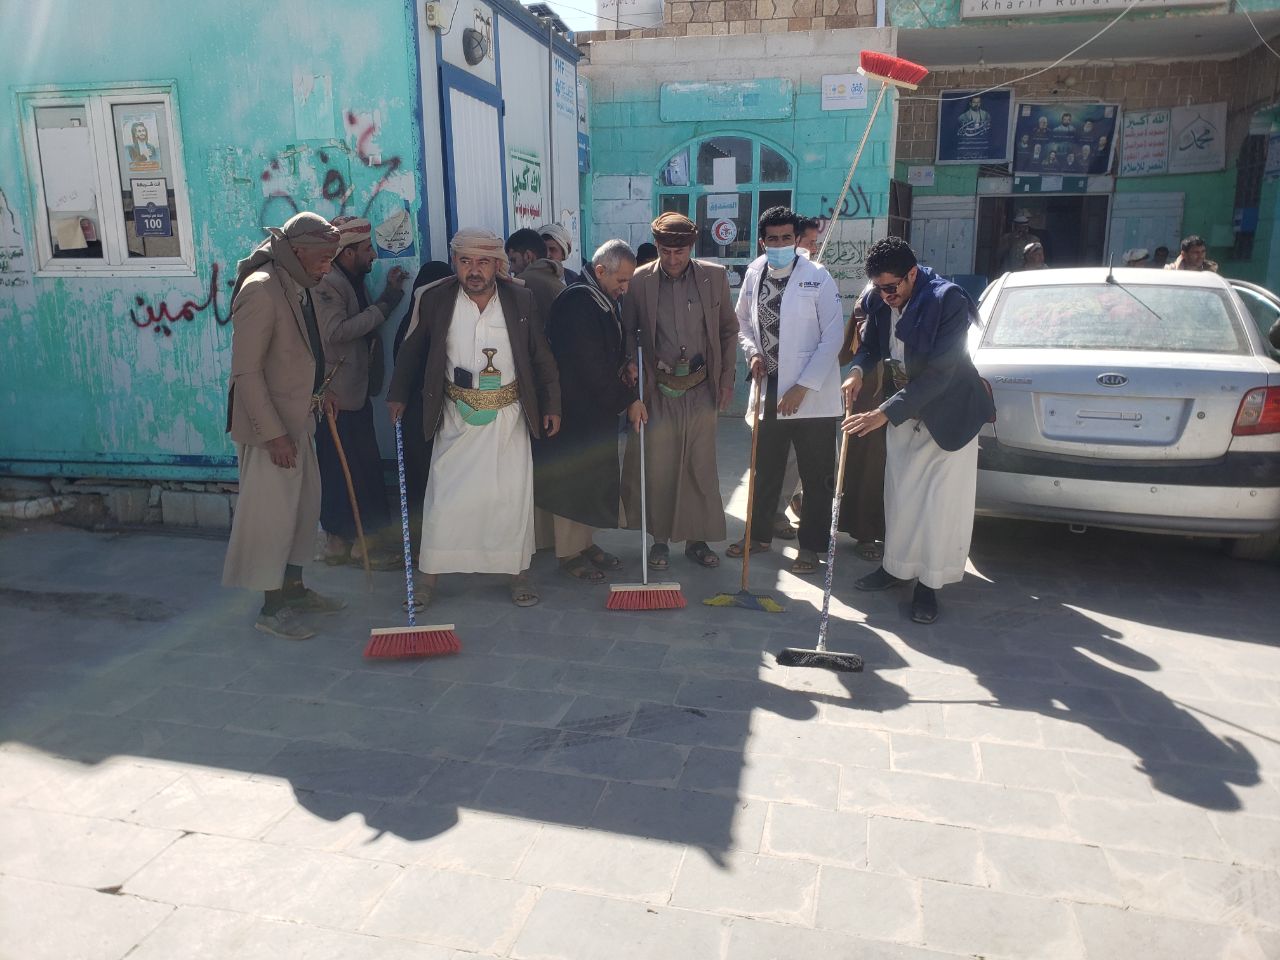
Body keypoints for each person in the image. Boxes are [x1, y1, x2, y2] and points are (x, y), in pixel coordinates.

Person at [387, 228, 560, 608]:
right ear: (455, 262)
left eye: (483, 262)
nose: (474, 270)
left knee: (508, 500)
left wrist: (552, 405)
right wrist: (397, 394)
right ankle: (428, 577)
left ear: (497, 264)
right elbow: (411, 350)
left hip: (508, 418)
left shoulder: (521, 299)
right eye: (465, 261)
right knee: (444, 500)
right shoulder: (434, 298)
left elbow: (541, 355)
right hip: (456, 417)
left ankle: (517, 573)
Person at [842, 237, 995, 625]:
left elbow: (941, 374)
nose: (885, 295)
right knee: (901, 495)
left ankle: (929, 585)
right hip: (904, 413)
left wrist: (882, 413)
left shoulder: (948, 301)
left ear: (912, 273)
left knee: (938, 506)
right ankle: (895, 568)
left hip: (949, 416)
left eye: (891, 287)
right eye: (879, 287)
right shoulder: (879, 299)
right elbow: (871, 346)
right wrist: (857, 371)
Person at [222, 212, 345, 640]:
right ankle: (271, 609)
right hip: (271, 431)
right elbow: (246, 372)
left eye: (332, 257)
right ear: (296, 251)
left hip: (299, 420)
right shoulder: (261, 289)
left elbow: (301, 352)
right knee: (272, 519)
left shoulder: (297, 282)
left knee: (302, 511)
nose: (328, 266)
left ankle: (294, 591)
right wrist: (273, 435)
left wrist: (322, 391)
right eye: (323, 257)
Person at [620, 211, 737, 571]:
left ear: (691, 247)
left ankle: (696, 540)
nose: (672, 259)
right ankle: (659, 540)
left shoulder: (714, 277)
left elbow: (728, 330)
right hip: (658, 390)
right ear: (656, 247)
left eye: (680, 252)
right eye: (665, 251)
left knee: (698, 466)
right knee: (660, 466)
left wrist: (727, 379)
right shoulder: (640, 281)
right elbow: (628, 332)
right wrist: (630, 368)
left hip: (701, 388)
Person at [731, 206, 843, 576]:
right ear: (762, 241)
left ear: (796, 240)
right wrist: (752, 353)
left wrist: (803, 386)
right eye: (772, 239)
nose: (779, 244)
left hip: (812, 393)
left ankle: (810, 547)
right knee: (765, 469)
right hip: (771, 385)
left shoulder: (818, 276)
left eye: (786, 238)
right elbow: (742, 321)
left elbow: (833, 337)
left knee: (816, 475)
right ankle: (758, 536)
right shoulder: (755, 272)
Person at [534, 240, 645, 582]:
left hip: (594, 410)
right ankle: (569, 553)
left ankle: (584, 544)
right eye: (621, 280)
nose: (625, 288)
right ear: (600, 271)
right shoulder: (577, 303)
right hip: (573, 413)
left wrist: (624, 365)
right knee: (573, 484)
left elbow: (606, 353)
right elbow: (589, 366)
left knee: (591, 482)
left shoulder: (599, 298)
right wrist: (628, 400)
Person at [312, 216, 407, 570]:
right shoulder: (329, 284)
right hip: (337, 396)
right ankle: (360, 545)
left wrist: (388, 296)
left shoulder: (350, 280)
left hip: (352, 393)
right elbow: (336, 332)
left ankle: (340, 544)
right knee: (350, 472)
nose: (373, 255)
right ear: (348, 253)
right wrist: (382, 307)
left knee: (349, 469)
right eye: (367, 249)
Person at [393, 261, 453, 558]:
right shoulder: (436, 323)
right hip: (430, 414)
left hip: (414, 414)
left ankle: (421, 546)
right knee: (433, 482)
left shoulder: (409, 322)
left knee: (419, 482)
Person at [837, 286, 887, 560]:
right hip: (871, 389)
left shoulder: (923, 294)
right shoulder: (870, 297)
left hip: (909, 390)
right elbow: (866, 345)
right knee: (868, 463)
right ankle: (865, 533)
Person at [506, 228, 565, 321]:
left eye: (514, 260)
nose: (511, 269)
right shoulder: (554, 279)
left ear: (528, 256)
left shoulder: (523, 281)